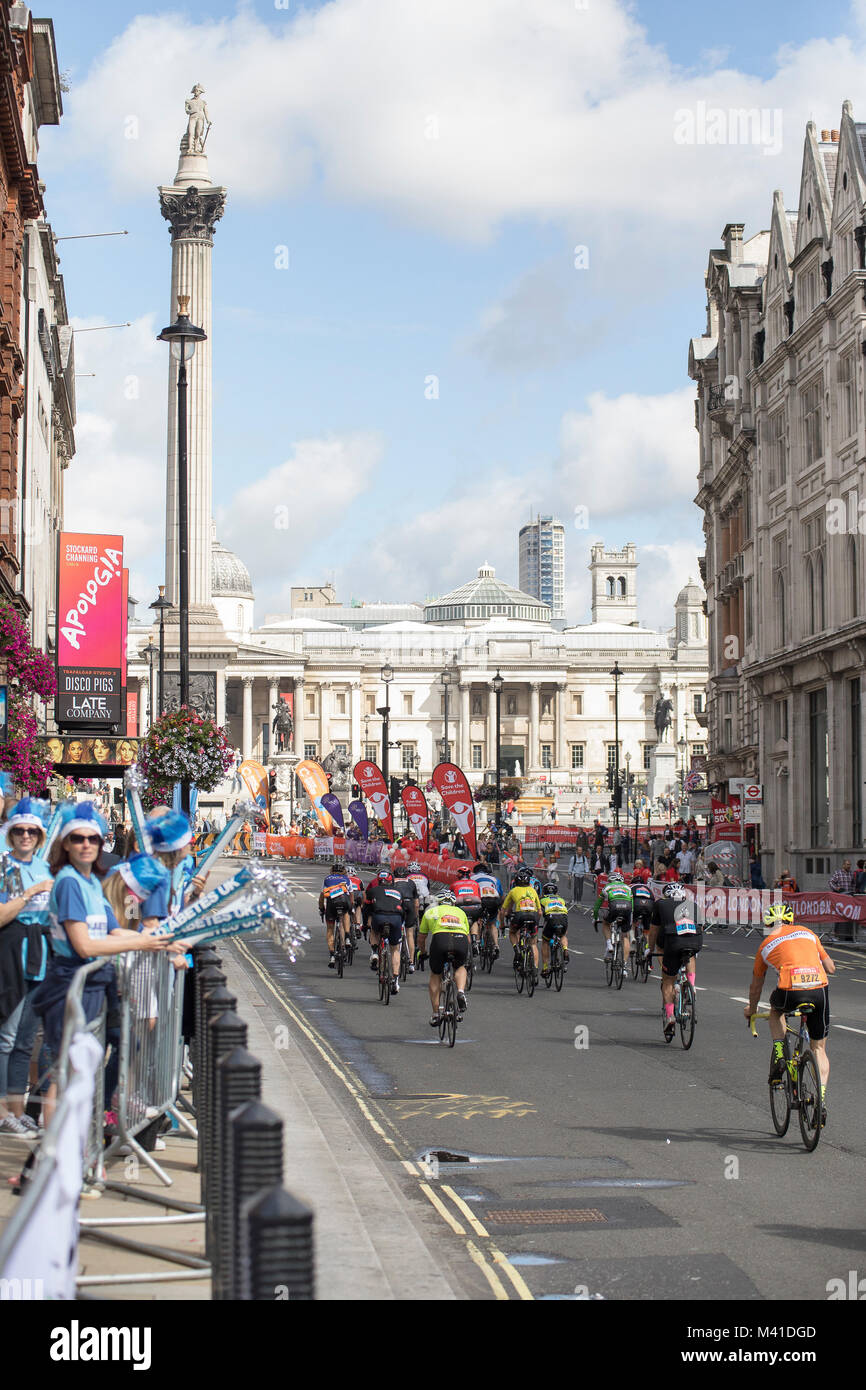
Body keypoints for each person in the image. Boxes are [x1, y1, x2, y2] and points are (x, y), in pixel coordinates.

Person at [31, 803, 170, 1122]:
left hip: (98, 982)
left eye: (93, 839)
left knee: (91, 1064)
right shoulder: (70, 882)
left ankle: (75, 1147)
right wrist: (144, 938)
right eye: (78, 839)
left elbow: (118, 928)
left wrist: (159, 939)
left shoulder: (93, 882)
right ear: (65, 844)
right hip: (71, 982)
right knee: (68, 1071)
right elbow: (83, 943)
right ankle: (50, 1156)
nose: (86, 845)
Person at [745, 903, 835, 1112]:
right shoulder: (808, 933)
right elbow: (831, 967)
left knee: (776, 1012)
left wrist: (751, 1009)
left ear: (768, 924)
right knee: (819, 1048)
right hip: (818, 990)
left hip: (789, 991)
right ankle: (820, 1099)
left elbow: (756, 986)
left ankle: (779, 1051)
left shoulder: (765, 944)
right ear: (791, 921)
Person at [0, 799, 54, 1137]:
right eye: (19, 830)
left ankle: (18, 1112)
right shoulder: (5, 868)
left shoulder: (45, 867)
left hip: (41, 954)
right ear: (10, 834)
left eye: (31, 831)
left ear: (39, 835)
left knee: (23, 1041)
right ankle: (2, 1110)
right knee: (5, 1037)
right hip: (11, 950)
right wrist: (30, 893)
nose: (25, 836)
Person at [648, 881, 702, 1042]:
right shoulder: (692, 904)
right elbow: (700, 927)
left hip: (672, 941)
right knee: (690, 954)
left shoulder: (660, 904)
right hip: (694, 939)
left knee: (667, 981)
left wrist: (648, 950)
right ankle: (691, 984)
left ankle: (670, 1016)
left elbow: (653, 931)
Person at [417, 890, 470, 1024]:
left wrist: (422, 953)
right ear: (453, 903)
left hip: (440, 940)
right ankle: (461, 991)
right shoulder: (461, 912)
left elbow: (421, 938)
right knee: (460, 967)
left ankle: (436, 1013)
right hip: (460, 939)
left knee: (436, 974)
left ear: (438, 902)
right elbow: (468, 938)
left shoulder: (430, 912)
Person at [364, 870, 405, 995]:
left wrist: (365, 925)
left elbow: (367, 910)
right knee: (395, 950)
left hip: (379, 917)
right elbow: (404, 910)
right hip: (396, 918)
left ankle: (375, 952)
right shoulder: (398, 892)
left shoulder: (373, 891)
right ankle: (395, 980)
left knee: (374, 931)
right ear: (391, 881)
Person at [501, 867, 542, 977]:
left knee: (512, 932)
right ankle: (535, 968)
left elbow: (504, 910)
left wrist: (502, 924)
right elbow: (540, 912)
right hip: (533, 915)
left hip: (520, 915)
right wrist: (536, 924)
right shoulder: (533, 890)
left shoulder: (513, 891)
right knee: (533, 943)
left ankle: (517, 950)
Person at [593, 868, 634, 973]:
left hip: (615, 907)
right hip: (627, 909)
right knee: (625, 936)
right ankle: (624, 966)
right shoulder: (628, 888)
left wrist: (595, 917)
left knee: (606, 923)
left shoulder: (607, 887)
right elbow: (632, 906)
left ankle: (609, 944)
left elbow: (598, 905)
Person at [318, 862, 353, 969]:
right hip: (344, 902)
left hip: (331, 905)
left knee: (330, 930)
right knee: (346, 913)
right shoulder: (347, 879)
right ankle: (347, 937)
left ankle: (332, 956)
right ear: (343, 871)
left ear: (331, 870)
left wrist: (321, 909)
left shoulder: (327, 879)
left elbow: (322, 896)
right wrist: (351, 907)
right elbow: (351, 895)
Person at [470, 859, 503, 958]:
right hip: (494, 900)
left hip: (481, 900)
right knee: (492, 924)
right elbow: (501, 894)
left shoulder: (472, 878)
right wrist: (500, 907)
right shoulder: (494, 879)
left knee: (476, 920)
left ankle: (477, 941)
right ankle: (496, 945)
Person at [539, 881, 570, 979]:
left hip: (551, 918)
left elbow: (539, 913)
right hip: (563, 918)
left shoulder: (542, 899)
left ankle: (545, 968)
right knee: (563, 935)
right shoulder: (561, 899)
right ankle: (565, 949)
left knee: (545, 941)